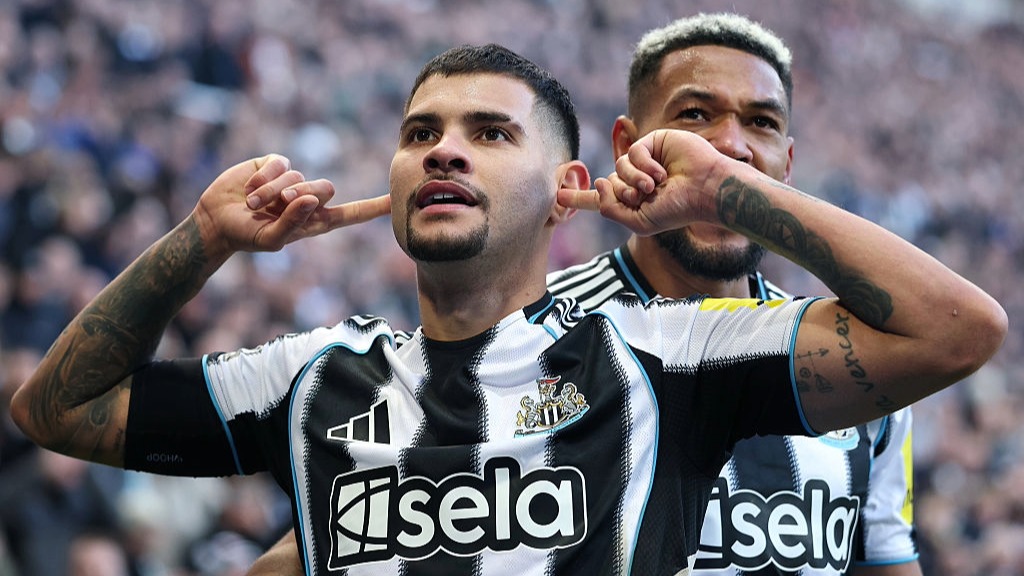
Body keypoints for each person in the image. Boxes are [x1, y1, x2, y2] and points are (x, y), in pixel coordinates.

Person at [10, 42, 1006, 576]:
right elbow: (54, 412)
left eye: (489, 132)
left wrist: (723, 190)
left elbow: (956, 329)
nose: (445, 149)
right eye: (421, 132)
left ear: (565, 185)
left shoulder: (663, 357)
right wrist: (201, 242)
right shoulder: (310, 377)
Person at [245, 14, 924, 576]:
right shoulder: (526, 332)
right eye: (696, 115)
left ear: (787, 164)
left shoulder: (853, 357)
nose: (730, 149)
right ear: (627, 144)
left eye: (762, 124)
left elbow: (885, 559)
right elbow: (327, 541)